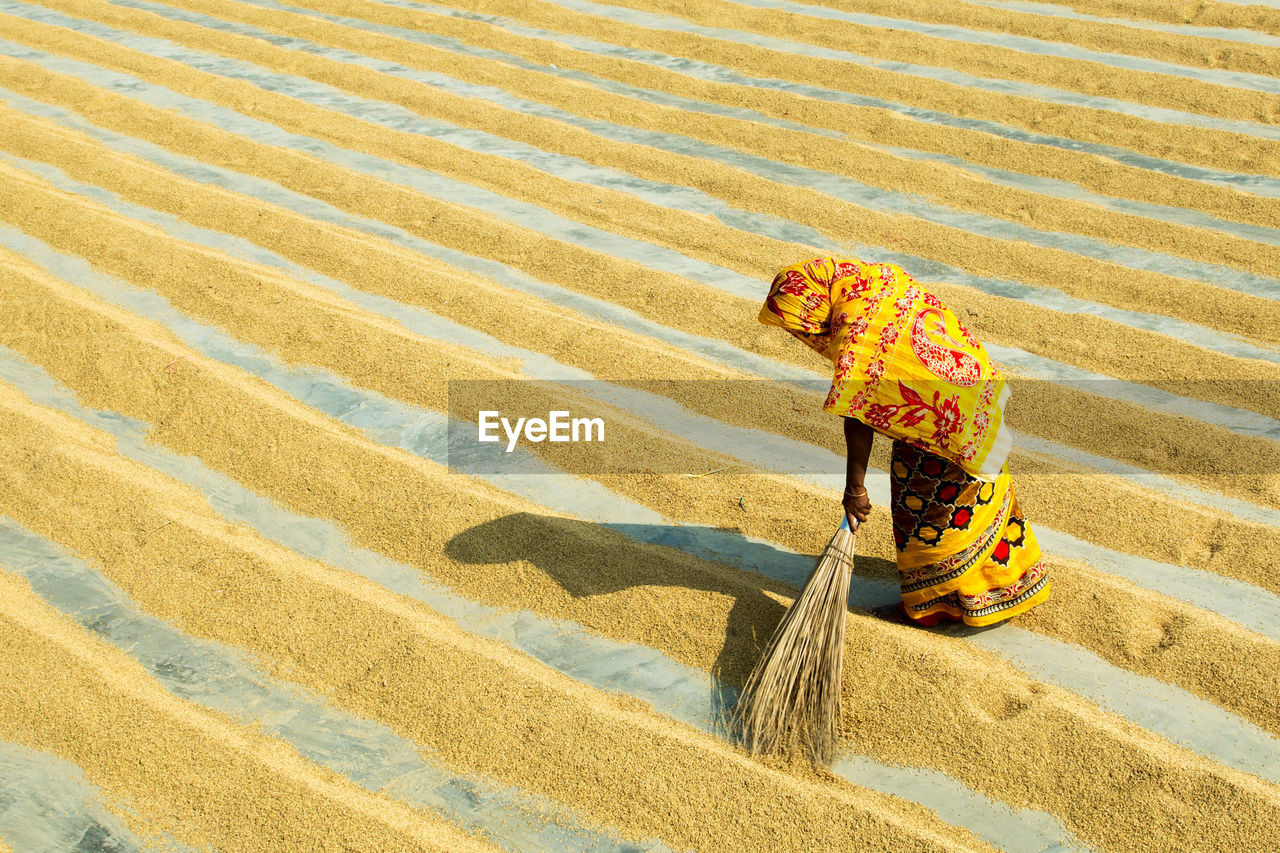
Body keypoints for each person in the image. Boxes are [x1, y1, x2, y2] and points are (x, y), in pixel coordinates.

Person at [760, 257, 1050, 628]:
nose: (805, 332)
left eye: (800, 323)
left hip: (945, 417)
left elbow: (858, 414)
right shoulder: (870, 282)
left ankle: (934, 606)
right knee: (975, 499)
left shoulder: (857, 328)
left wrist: (855, 489)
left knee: (929, 506)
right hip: (973, 392)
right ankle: (1001, 586)